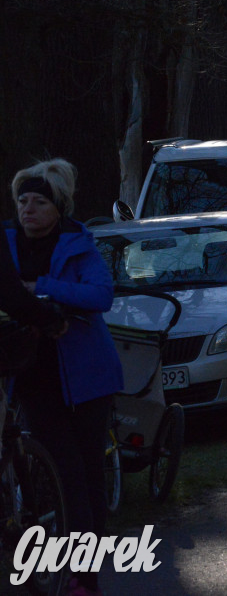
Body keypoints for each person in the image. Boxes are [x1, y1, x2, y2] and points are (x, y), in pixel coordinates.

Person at [5, 158, 123, 596]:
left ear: (59, 208)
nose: (28, 209)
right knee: (63, 471)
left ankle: (85, 577)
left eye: (39, 202)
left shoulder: (78, 243)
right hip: (32, 376)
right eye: (23, 201)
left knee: (87, 474)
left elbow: (101, 294)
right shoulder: (7, 243)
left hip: (86, 376)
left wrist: (43, 287)